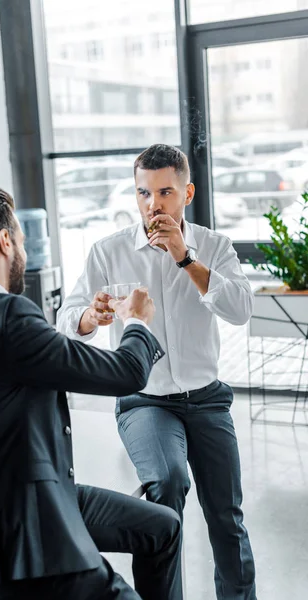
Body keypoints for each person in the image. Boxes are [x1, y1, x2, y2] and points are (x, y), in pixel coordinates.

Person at [0, 187, 183, 600]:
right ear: (5, 240)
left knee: (162, 526)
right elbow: (125, 373)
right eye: (19, 236)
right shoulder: (6, 315)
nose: (22, 246)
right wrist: (137, 322)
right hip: (18, 539)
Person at [57, 144, 257, 600]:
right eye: (143, 193)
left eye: (165, 192)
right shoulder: (108, 252)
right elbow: (66, 319)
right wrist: (92, 316)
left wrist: (185, 257)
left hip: (206, 399)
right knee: (166, 484)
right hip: (144, 400)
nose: (153, 205)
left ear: (186, 193)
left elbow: (241, 309)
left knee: (227, 518)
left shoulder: (215, 246)